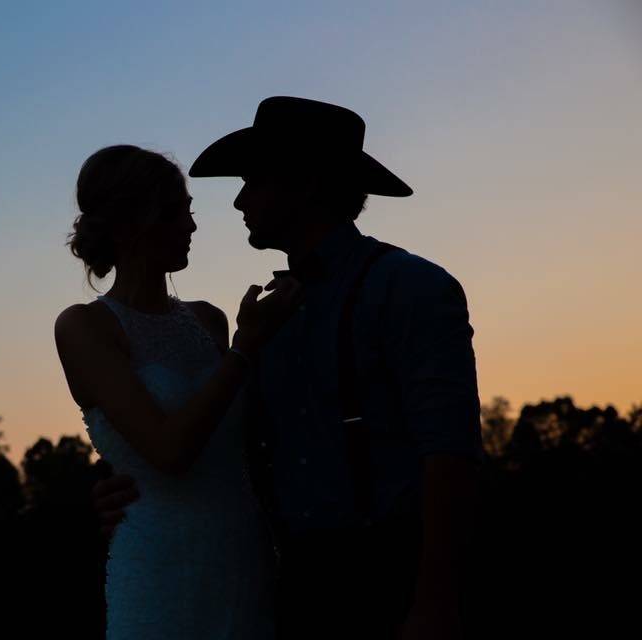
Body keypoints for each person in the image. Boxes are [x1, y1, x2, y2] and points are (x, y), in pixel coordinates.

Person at [93, 97, 484, 640]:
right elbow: (236, 445)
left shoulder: (411, 287)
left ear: (305, 185)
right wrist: (122, 486)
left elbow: (450, 453)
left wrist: (435, 604)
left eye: (254, 180)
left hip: (392, 575)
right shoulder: (265, 316)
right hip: (290, 588)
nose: (237, 200)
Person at [54, 144, 303, 639]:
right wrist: (244, 350)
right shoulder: (85, 327)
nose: (191, 227)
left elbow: (250, 444)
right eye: (176, 214)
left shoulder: (208, 319)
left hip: (244, 563)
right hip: (159, 572)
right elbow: (169, 451)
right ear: (133, 222)